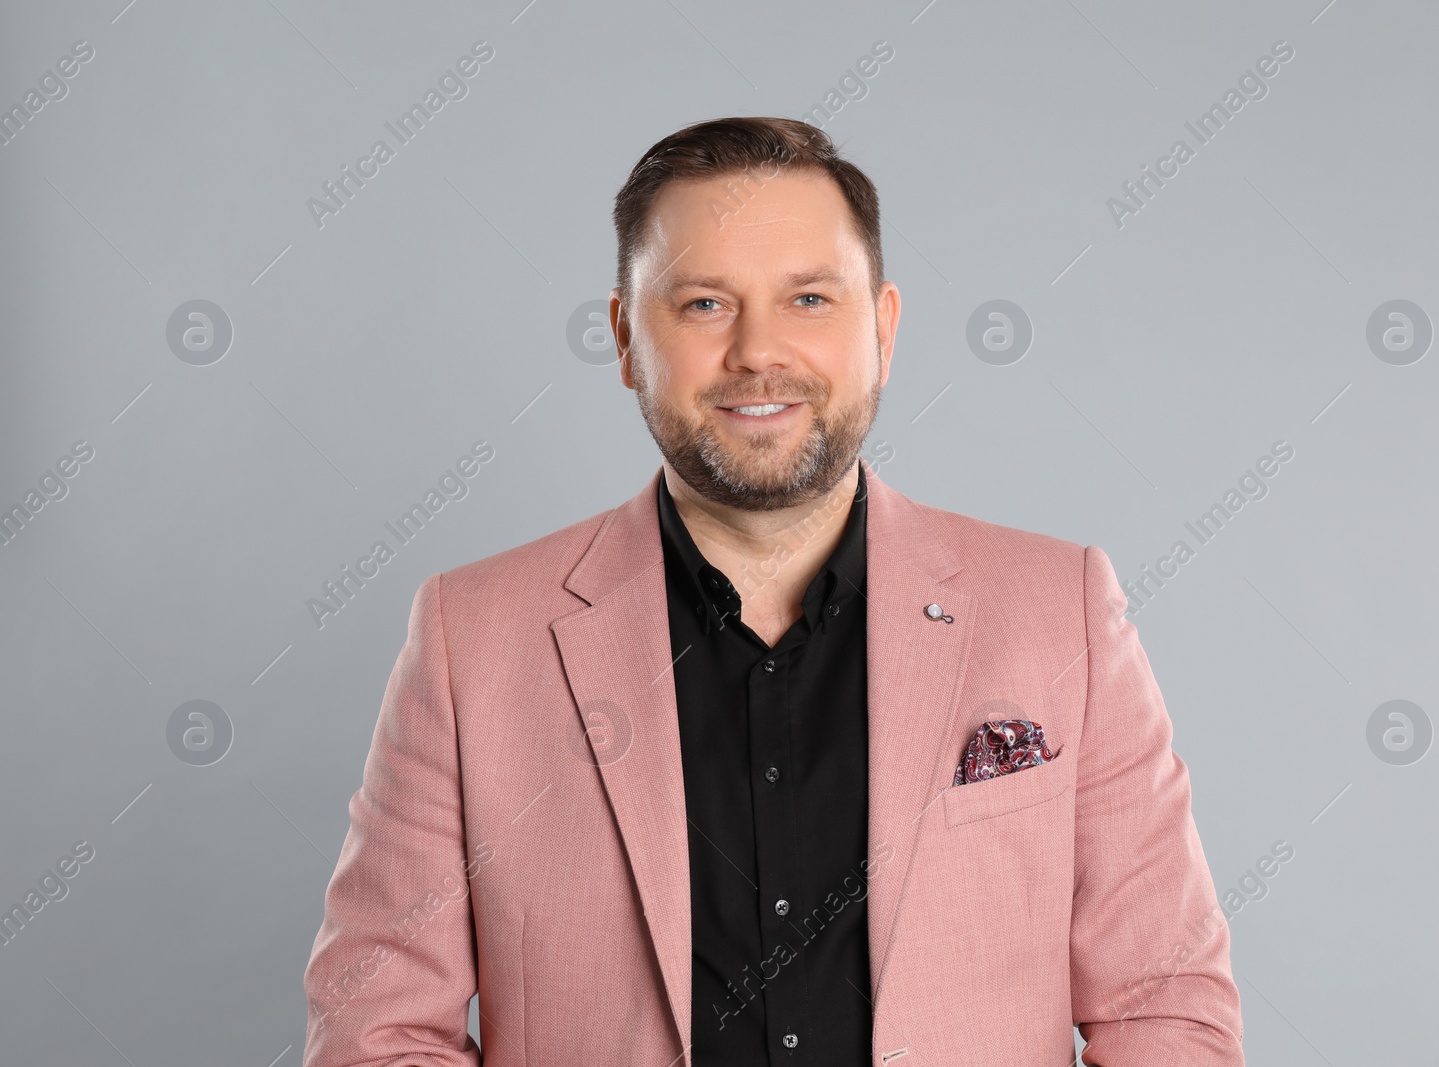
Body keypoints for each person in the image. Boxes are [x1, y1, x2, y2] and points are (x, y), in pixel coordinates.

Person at [302, 115, 1246, 1067]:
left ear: (880, 328)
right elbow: (374, 1027)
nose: (758, 350)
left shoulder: (1061, 607)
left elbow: (1168, 1008)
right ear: (628, 338)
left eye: (807, 298)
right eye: (705, 303)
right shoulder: (475, 637)